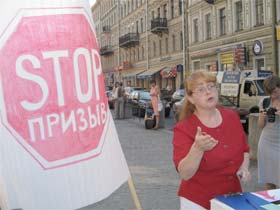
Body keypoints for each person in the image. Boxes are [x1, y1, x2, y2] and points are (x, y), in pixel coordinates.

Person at [172, 70, 250, 210]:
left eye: (211, 86)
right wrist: (197, 149)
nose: (208, 92)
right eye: (201, 89)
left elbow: (245, 149)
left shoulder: (232, 116)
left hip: (232, 198)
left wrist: (243, 168)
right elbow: (185, 173)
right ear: (191, 98)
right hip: (198, 201)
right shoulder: (183, 128)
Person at [257, 75, 280, 190]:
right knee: (269, 178)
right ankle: (272, 205)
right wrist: (262, 116)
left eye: (275, 91)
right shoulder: (265, 102)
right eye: (270, 92)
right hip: (266, 142)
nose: (272, 95)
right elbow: (261, 126)